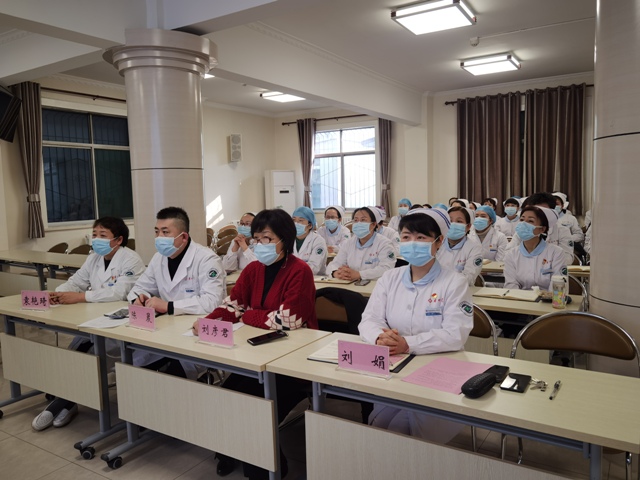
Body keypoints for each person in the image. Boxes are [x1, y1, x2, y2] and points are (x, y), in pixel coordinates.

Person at [195, 209, 317, 479]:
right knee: (227, 396)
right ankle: (229, 451)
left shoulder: (300, 270)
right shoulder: (253, 269)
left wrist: (248, 315)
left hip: (290, 363)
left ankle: (266, 469)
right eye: (257, 238)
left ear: (284, 239)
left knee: (255, 407)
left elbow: (288, 320)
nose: (260, 244)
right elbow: (232, 305)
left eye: (267, 238)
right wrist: (207, 321)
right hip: (256, 355)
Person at [359, 207, 473, 443]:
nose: (412, 243)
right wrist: (380, 338)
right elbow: (370, 319)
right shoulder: (390, 277)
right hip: (394, 363)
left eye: (421, 237)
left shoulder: (454, 282)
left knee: (401, 429)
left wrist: (407, 344)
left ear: (439, 241)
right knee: (378, 423)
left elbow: (455, 334)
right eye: (406, 237)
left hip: (438, 368)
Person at [32, 217, 145, 432]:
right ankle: (68, 403)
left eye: (102, 235)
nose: (96, 239)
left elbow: (119, 292)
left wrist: (81, 297)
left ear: (118, 239)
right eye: (94, 235)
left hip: (118, 326)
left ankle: (60, 404)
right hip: (94, 320)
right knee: (75, 352)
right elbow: (76, 282)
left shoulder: (131, 260)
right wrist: (58, 294)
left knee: (89, 357)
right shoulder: (93, 258)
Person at [127, 206, 226, 379]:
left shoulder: (207, 259)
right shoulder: (158, 258)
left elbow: (212, 302)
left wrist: (169, 306)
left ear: (184, 237)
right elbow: (139, 287)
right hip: (165, 330)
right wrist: (140, 298)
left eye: (165, 232)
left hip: (196, 333)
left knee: (174, 376)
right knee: (133, 366)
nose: (159, 237)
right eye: (157, 232)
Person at [503, 206, 567, 291]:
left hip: (549, 298)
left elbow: (558, 285)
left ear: (542, 229)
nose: (523, 224)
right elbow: (511, 285)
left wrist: (545, 297)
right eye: (522, 220)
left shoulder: (556, 252)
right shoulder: (511, 254)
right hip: (519, 298)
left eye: (530, 221)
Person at [326, 206, 396, 281]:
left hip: (376, 285)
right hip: (350, 284)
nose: (358, 223)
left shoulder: (384, 244)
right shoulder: (348, 243)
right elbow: (335, 263)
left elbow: (386, 268)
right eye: (356, 220)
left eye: (363, 220)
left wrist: (359, 274)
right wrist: (335, 273)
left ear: (373, 224)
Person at [506, 193, 574, 264]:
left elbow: (567, 259)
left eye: (542, 211)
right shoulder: (525, 230)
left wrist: (541, 262)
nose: (538, 214)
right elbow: (508, 253)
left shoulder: (562, 230)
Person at [437, 206, 483, 286]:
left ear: (468, 226)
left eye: (459, 221)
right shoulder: (436, 244)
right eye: (450, 221)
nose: (453, 224)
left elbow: (469, 278)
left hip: (459, 290)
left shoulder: (474, 248)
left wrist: (442, 282)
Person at [291, 205, 327, 275]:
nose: (296, 223)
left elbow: (314, 267)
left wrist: (292, 269)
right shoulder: (288, 239)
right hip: (292, 277)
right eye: (293, 220)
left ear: (310, 225)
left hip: (314, 278)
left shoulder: (318, 241)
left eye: (300, 221)